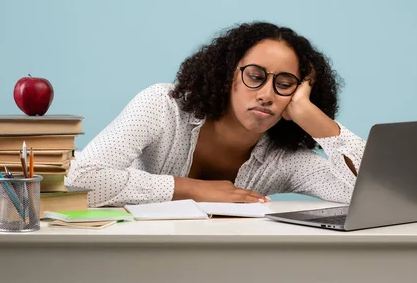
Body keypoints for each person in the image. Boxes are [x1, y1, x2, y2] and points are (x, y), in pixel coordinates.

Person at [66, 21, 366, 207]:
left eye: (284, 84)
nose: (266, 94)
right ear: (227, 75)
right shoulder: (162, 106)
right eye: (255, 76)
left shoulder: (281, 161)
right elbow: (81, 180)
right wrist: (194, 189)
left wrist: (313, 119)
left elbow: (368, 195)